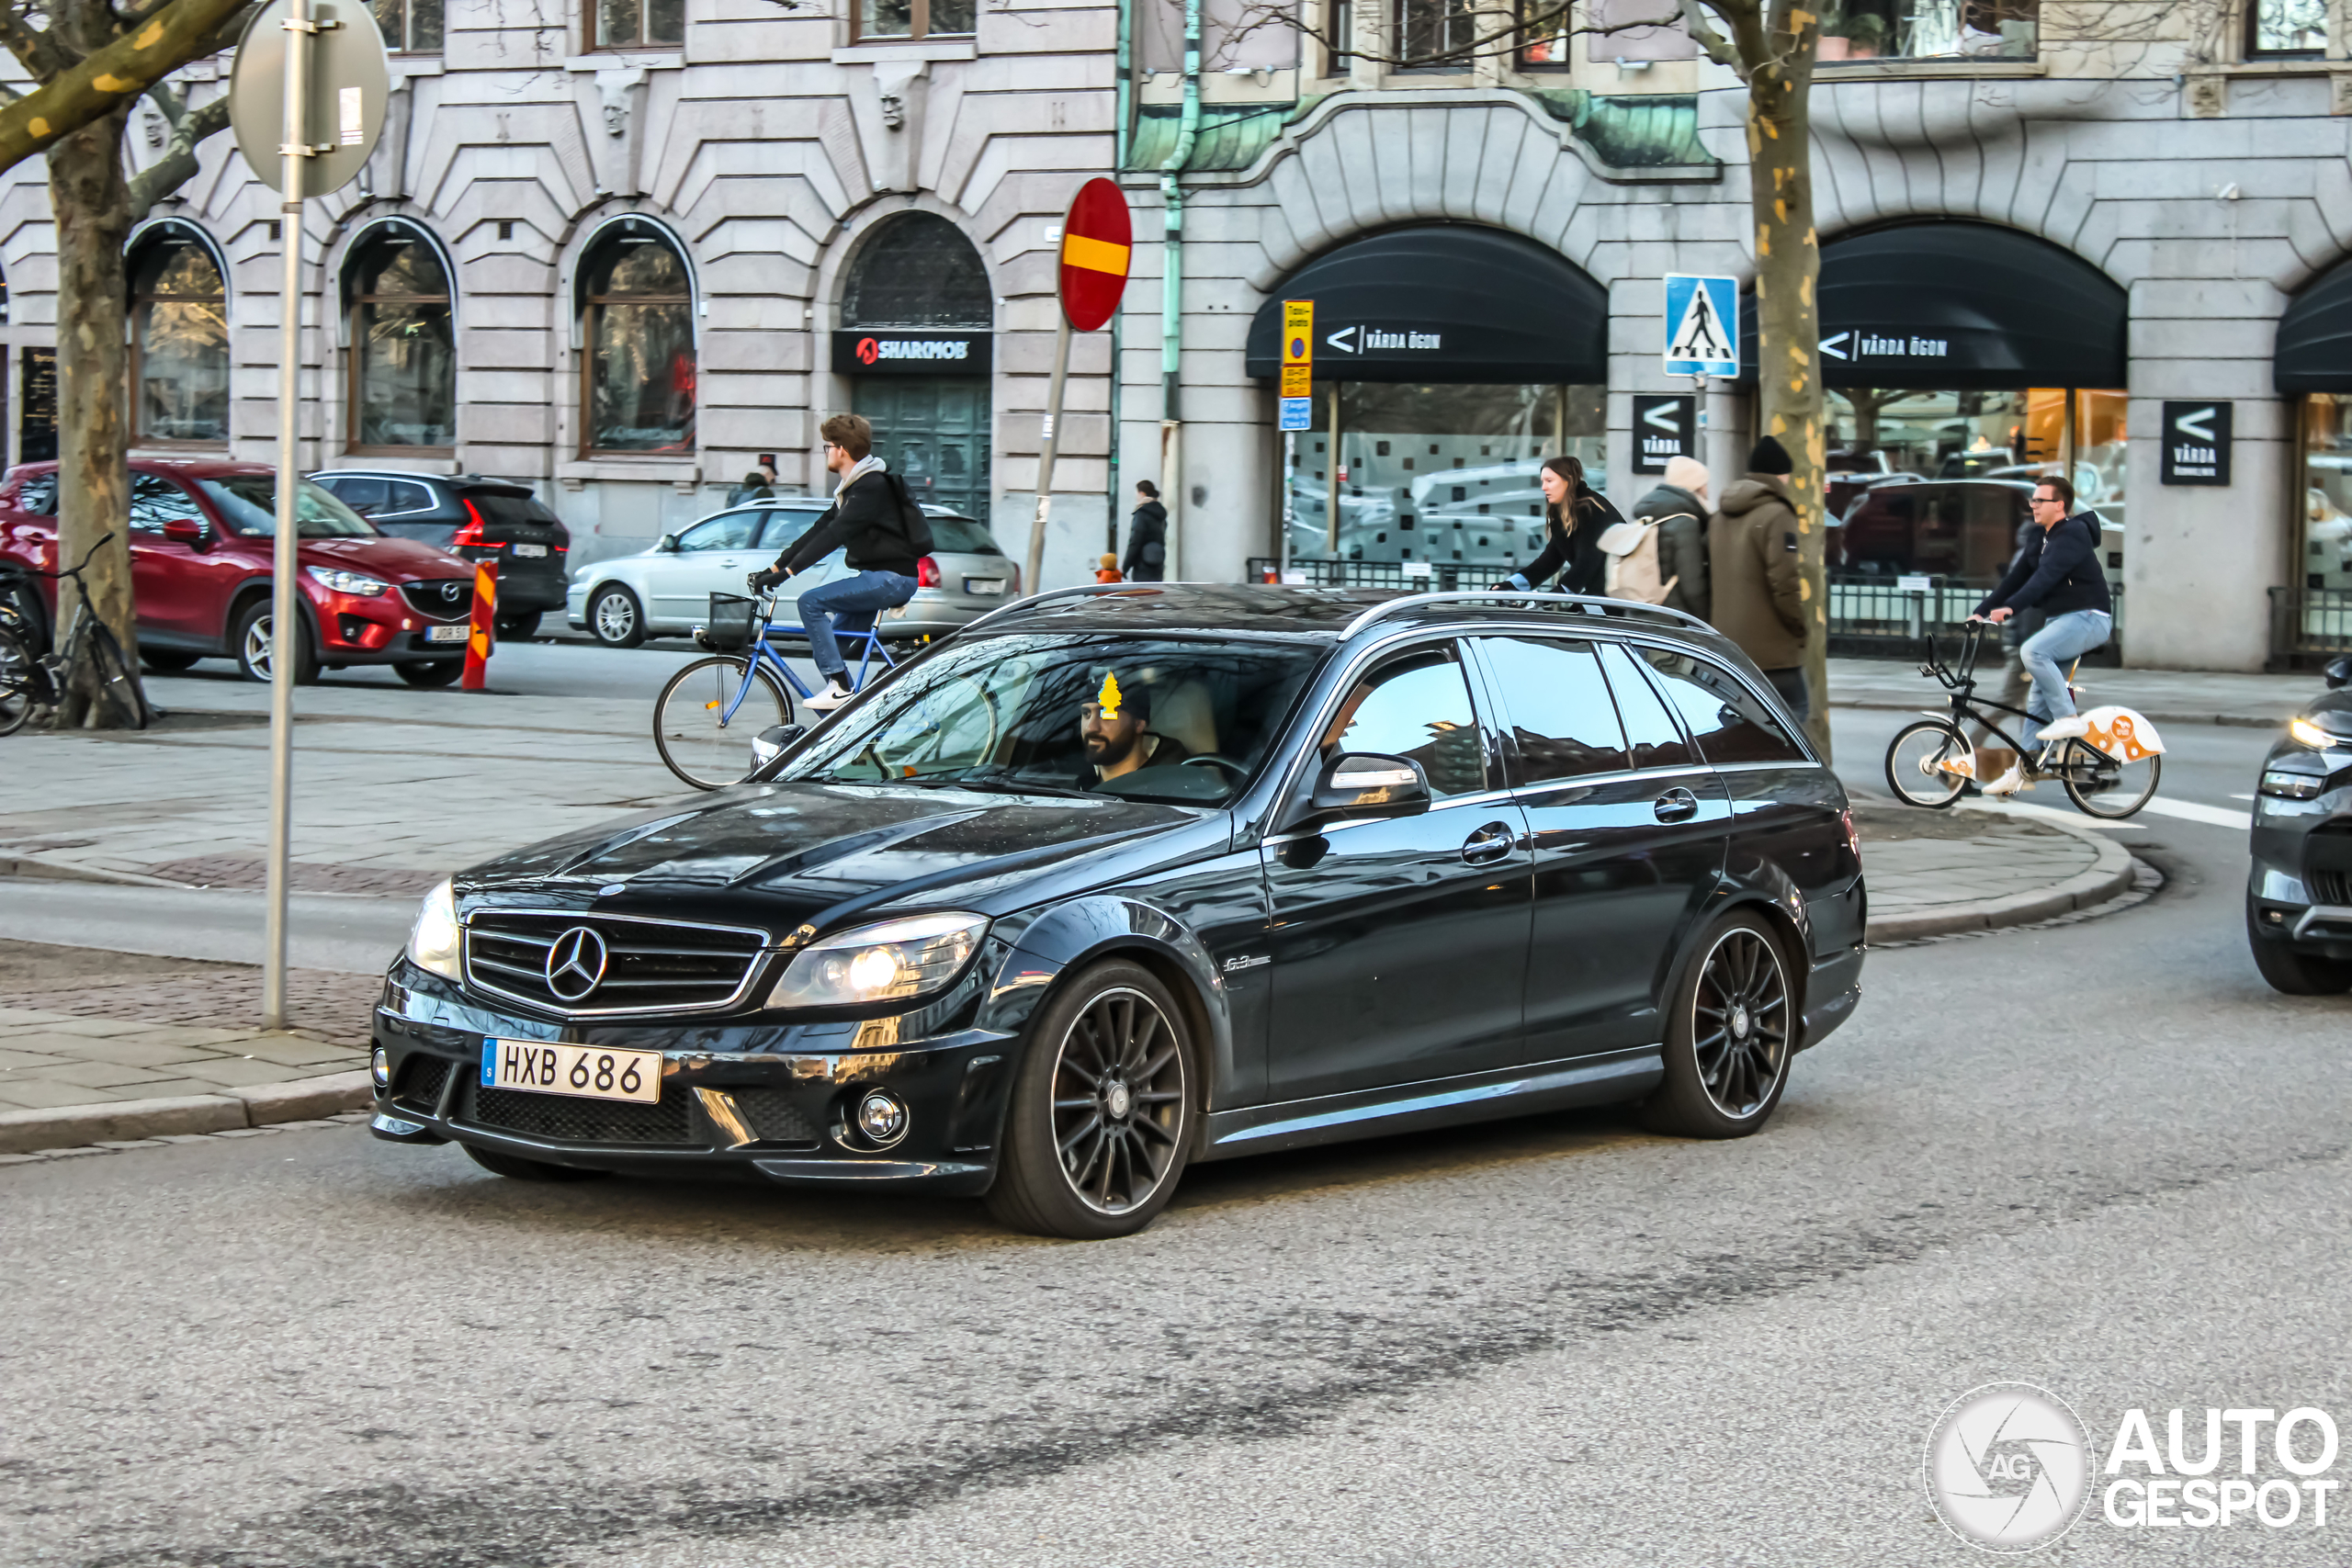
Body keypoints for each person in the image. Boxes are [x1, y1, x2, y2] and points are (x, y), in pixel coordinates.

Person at [749, 413, 921, 712]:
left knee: (810, 603)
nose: (826, 452)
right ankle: (846, 721)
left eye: (827, 446)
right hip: (879, 577)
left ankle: (841, 689)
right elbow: (818, 530)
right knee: (830, 649)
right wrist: (774, 569)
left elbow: (836, 534)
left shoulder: (871, 487)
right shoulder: (852, 489)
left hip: (892, 578)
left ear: (840, 449)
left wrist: (788, 574)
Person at [1969, 474, 2112, 784]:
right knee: (2036, 696)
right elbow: (2016, 578)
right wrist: (1981, 612)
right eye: (2032, 500)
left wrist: (2011, 608)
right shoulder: (2040, 537)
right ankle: (2025, 769)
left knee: (2033, 651)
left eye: (2040, 500)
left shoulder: (2072, 534)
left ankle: (2068, 720)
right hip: (2062, 621)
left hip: (2089, 616)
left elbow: (2044, 579)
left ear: (2060, 505)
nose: (2033, 505)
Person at [1707, 435, 1811, 722]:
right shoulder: (1779, 514)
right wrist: (1799, 627)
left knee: (1739, 721)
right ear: (1780, 474)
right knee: (1796, 716)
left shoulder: (1718, 517)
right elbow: (1785, 580)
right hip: (1773, 650)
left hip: (1729, 645)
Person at [1493, 455, 1622, 596]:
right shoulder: (1565, 513)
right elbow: (1551, 559)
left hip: (1619, 593)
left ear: (1568, 480)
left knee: (1570, 616)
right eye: (1542, 481)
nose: (1543, 487)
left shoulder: (1591, 508)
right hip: (1601, 593)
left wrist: (1562, 591)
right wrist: (1512, 584)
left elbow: (1589, 559)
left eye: (1549, 481)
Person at [1626, 453, 1713, 621]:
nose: (1707, 490)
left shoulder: (1647, 516)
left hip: (1639, 612)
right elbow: (1693, 586)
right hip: (1672, 619)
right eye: (1704, 484)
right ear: (1694, 484)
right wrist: (1706, 621)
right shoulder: (1685, 523)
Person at [1079, 671, 1185, 787]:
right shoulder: (1074, 786)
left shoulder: (1175, 785)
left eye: (1106, 714)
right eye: (1086, 713)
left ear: (1138, 724)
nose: (1090, 727)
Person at [1124, 482, 1169, 581]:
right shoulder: (1160, 513)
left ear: (1142, 494)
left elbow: (1135, 542)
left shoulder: (1141, 514)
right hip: (1158, 564)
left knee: (1143, 594)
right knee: (1155, 594)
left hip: (1143, 566)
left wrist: (1126, 566)